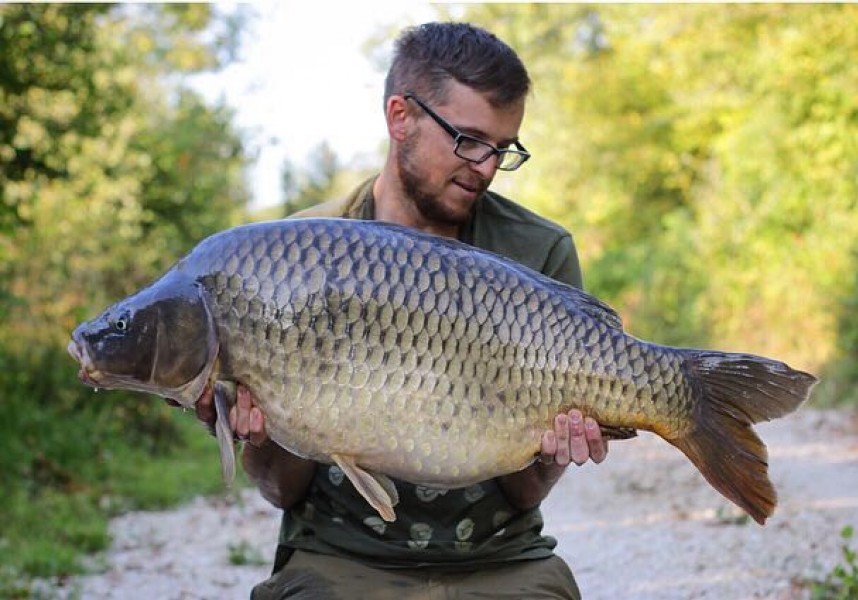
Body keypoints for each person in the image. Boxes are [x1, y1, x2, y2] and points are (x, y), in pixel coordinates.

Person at [192, 22, 608, 599]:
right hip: (339, 558)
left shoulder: (540, 252)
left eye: (503, 149)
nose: (485, 167)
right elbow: (283, 493)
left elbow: (526, 493)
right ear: (399, 117)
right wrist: (263, 435)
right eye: (468, 140)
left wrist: (553, 442)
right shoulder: (288, 258)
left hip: (501, 558)